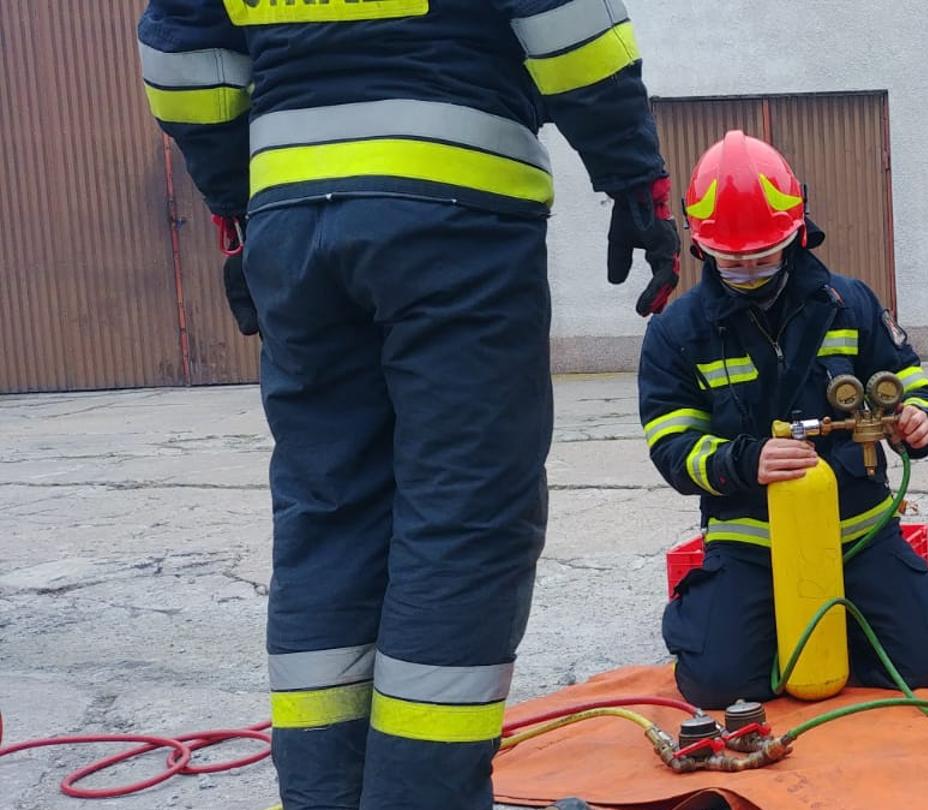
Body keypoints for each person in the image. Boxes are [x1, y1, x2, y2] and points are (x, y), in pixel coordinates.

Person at [136, 1, 679, 806]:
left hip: (293, 225)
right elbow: (573, 29)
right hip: (455, 211)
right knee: (463, 518)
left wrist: (237, 208)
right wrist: (633, 176)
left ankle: (325, 796)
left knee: (327, 514)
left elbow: (179, 57)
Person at [642, 132, 928, 709]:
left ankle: (850, 622)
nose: (747, 268)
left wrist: (920, 420)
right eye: (731, 258)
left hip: (856, 524)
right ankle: (761, 627)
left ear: (795, 232)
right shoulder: (677, 331)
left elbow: (908, 377)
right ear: (700, 246)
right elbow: (671, 443)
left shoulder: (851, 302)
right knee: (716, 684)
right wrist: (744, 462)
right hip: (750, 536)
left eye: (762, 255)